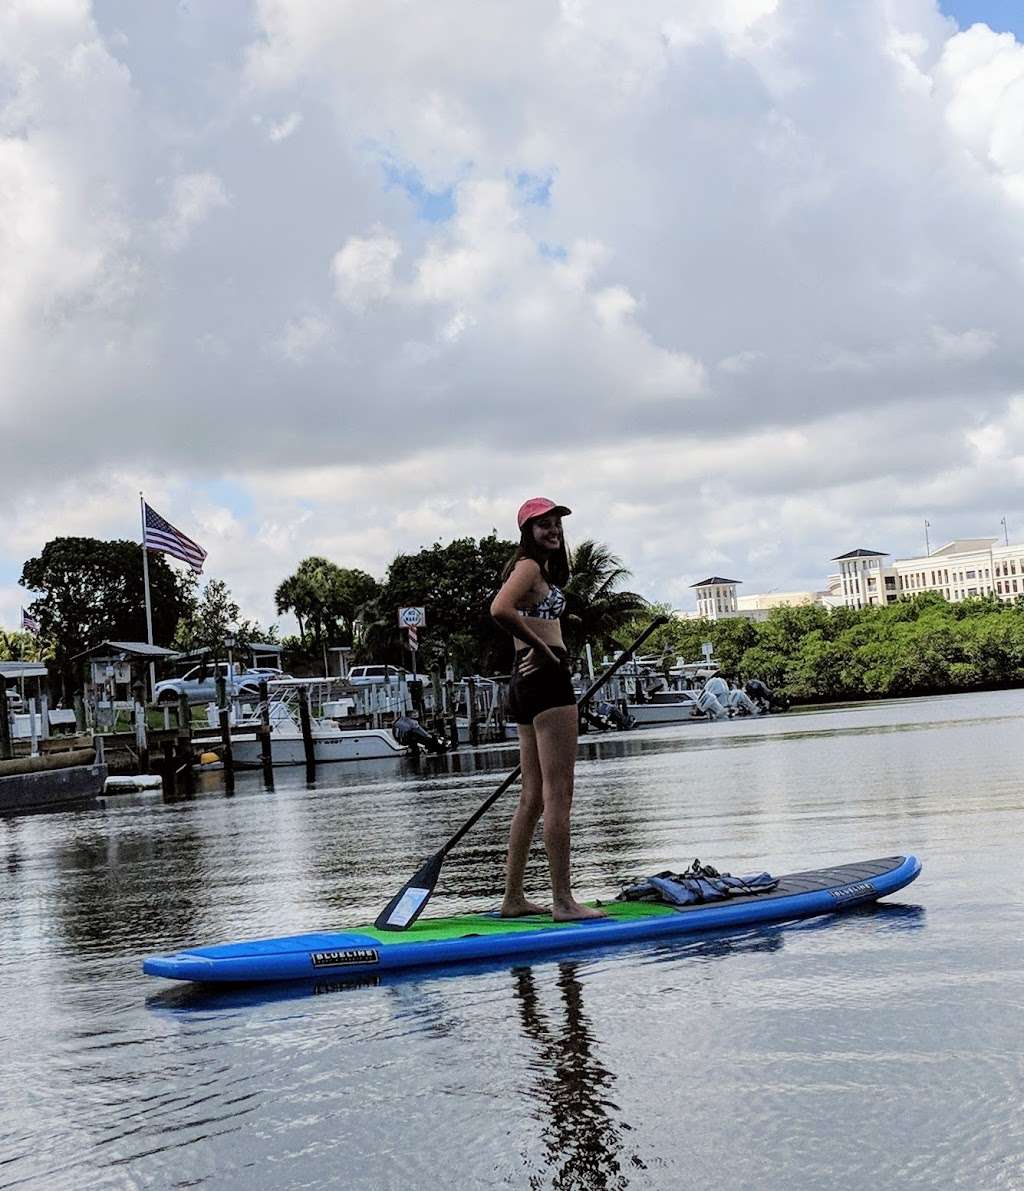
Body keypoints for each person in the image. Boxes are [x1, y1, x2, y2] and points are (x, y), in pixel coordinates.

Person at [490, 497, 606, 921]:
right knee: (559, 796)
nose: (553, 530)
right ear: (527, 530)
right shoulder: (528, 567)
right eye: (543, 525)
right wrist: (544, 648)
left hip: (524, 684)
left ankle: (514, 898)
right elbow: (499, 609)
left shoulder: (527, 569)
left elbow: (519, 614)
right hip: (547, 683)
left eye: (557, 524)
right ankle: (563, 902)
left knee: (532, 797)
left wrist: (540, 643)